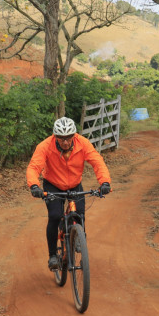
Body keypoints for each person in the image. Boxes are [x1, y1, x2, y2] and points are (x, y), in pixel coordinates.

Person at [27, 116, 112, 270]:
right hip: (53, 184)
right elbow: (34, 167)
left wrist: (104, 182)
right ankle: (53, 255)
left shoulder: (83, 143)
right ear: (55, 136)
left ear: (74, 135)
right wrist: (34, 185)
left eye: (68, 137)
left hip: (74, 183)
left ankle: (80, 241)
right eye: (61, 138)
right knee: (54, 216)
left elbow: (97, 162)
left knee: (80, 213)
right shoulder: (45, 146)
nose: (65, 142)